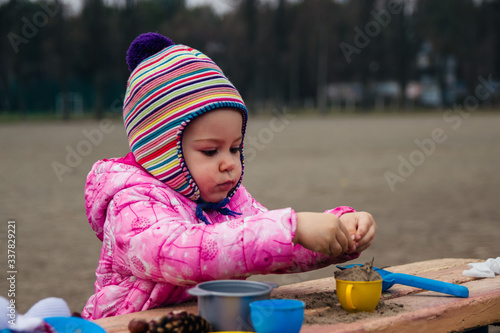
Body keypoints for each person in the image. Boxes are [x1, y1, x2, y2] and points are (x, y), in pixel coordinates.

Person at [82, 32, 376, 320]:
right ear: (160, 151)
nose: (229, 164)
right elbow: (186, 254)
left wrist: (338, 232)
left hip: (196, 320)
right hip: (124, 325)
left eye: (235, 148)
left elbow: (270, 248)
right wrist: (293, 227)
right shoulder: (132, 205)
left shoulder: (228, 197)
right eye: (211, 151)